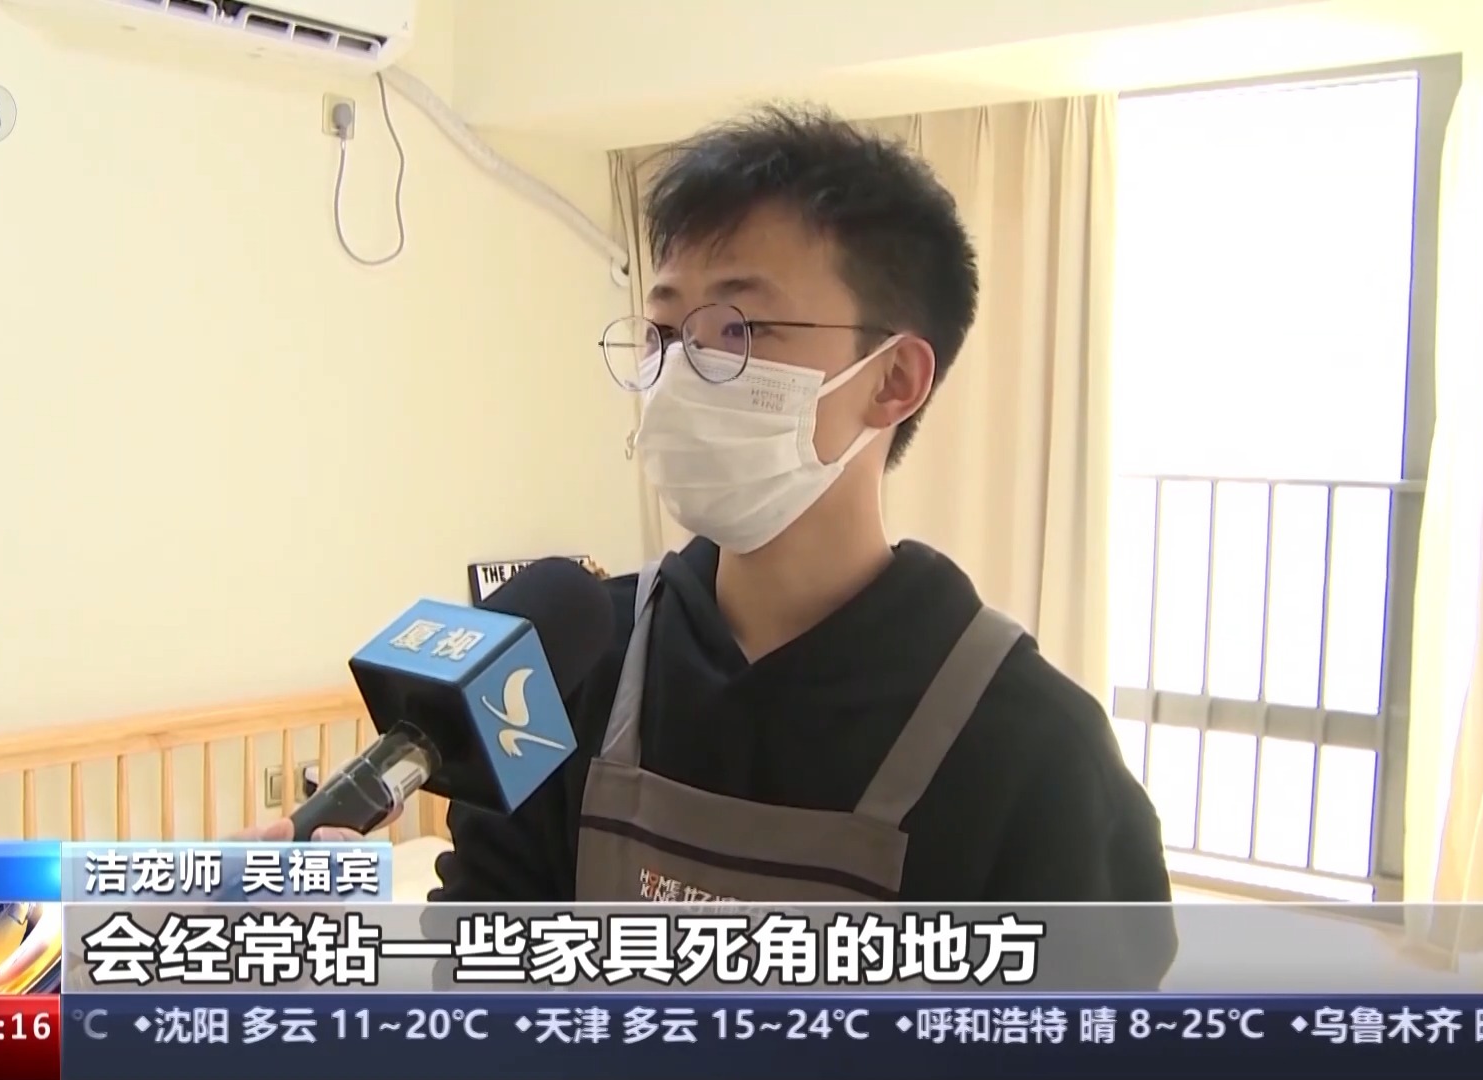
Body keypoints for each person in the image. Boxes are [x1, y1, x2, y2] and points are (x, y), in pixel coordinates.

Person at [252, 104, 1175, 984]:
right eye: (663, 331)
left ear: (893, 379)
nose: (682, 372)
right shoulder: (566, 670)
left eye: (737, 328)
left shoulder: (1034, 753)